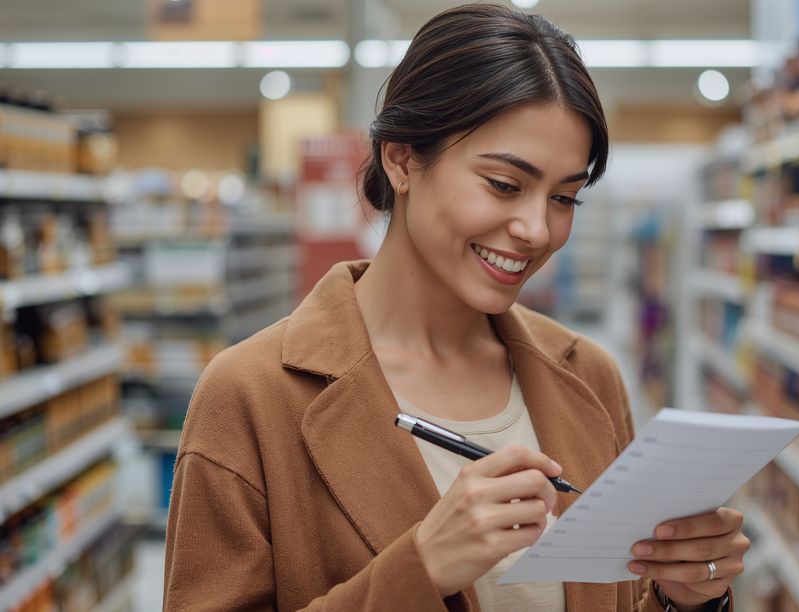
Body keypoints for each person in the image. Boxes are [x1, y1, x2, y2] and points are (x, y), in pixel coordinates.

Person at [163, 4, 748, 611]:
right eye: (503, 184)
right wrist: (419, 569)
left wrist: (687, 600)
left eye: (565, 197)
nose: (536, 229)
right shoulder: (250, 396)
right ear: (401, 158)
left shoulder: (589, 378)